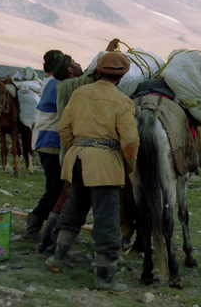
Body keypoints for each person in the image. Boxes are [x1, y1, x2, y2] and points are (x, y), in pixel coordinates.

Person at [45, 52, 139, 294]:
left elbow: (63, 128)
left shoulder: (79, 93)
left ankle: (57, 257)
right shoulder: (122, 102)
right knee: (106, 218)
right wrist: (127, 165)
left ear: (98, 70)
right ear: (121, 77)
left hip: (77, 160)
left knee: (74, 209)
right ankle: (106, 278)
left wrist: (78, 146)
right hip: (105, 165)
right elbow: (129, 141)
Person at [22, 50, 83, 244]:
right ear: (69, 69)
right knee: (56, 188)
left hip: (49, 141)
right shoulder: (61, 86)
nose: (77, 63)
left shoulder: (52, 82)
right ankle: (34, 226)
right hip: (52, 143)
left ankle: (47, 228)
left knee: (57, 188)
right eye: (73, 61)